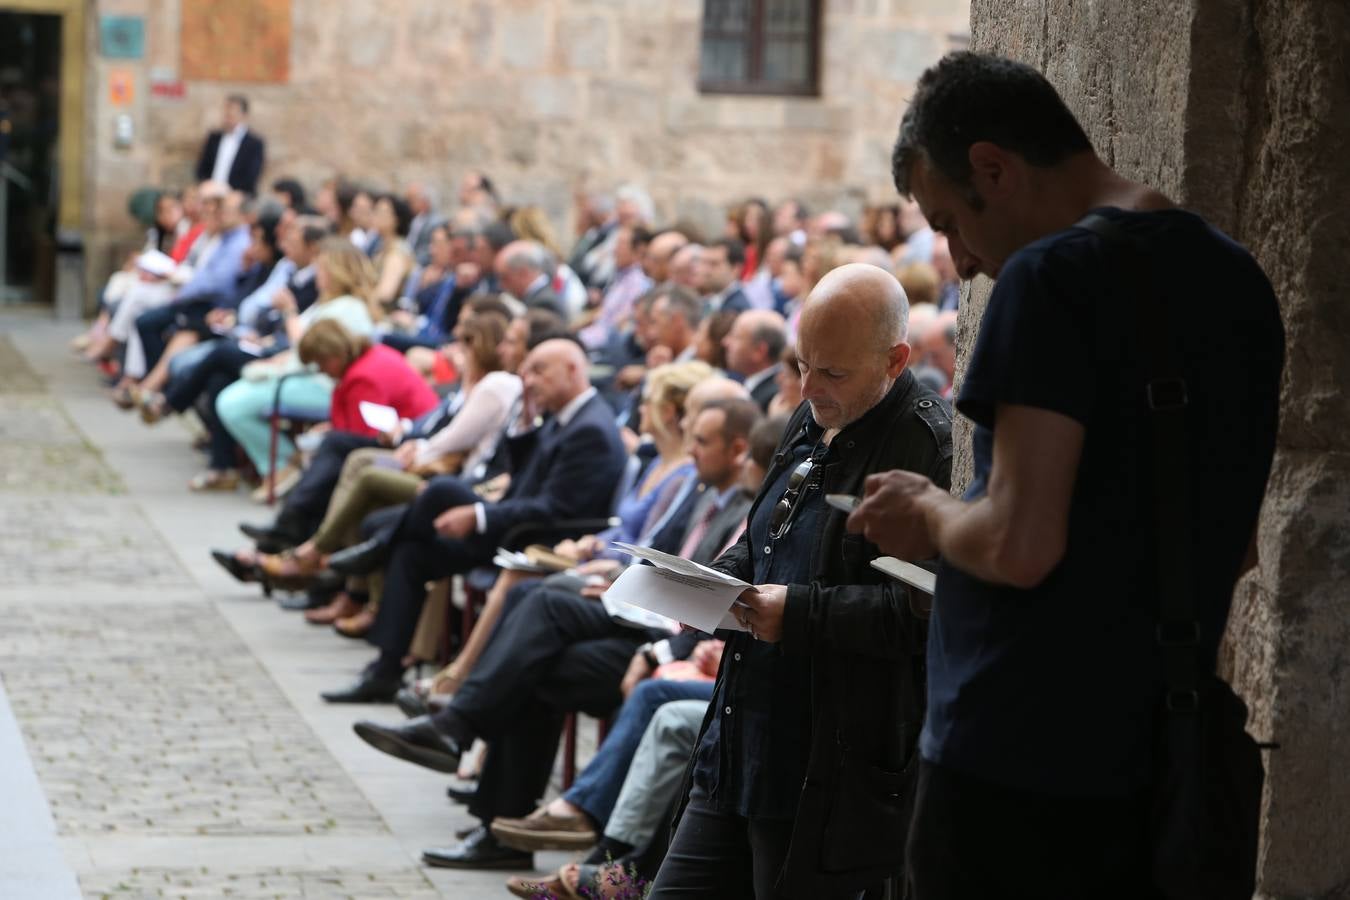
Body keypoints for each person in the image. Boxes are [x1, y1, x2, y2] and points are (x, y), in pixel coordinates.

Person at [847, 51, 1284, 900]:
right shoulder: (1236, 280)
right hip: (1163, 747)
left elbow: (1019, 541)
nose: (960, 259)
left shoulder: (1048, 280)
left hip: (1020, 762)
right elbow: (1228, 548)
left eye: (949, 221)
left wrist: (930, 513)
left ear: (994, 168)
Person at [648, 263, 953, 900]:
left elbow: (925, 612)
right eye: (801, 363)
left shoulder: (926, 446)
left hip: (827, 767)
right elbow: (766, 542)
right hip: (740, 741)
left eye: (833, 371)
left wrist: (801, 614)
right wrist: (710, 585)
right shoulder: (811, 411)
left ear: (895, 360)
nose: (809, 386)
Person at [319, 338, 627, 702]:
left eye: (539, 370)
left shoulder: (588, 427)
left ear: (574, 370)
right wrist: (524, 424)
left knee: (442, 491)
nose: (528, 380)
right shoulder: (561, 417)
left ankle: (373, 550)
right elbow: (521, 477)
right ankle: (385, 670)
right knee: (412, 551)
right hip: (513, 525)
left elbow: (554, 510)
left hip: (538, 540)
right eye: (526, 371)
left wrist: (480, 515)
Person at [194, 95, 265, 194]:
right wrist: (206, 183)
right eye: (227, 111)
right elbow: (202, 167)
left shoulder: (254, 143)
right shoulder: (214, 137)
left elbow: (251, 175)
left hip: (237, 192)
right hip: (210, 189)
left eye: (234, 112)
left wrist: (230, 190)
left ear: (244, 115)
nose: (229, 114)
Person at [722, 309, 787, 411]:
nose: (725, 342)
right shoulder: (758, 389)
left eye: (735, 337)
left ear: (759, 351)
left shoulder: (772, 399)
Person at [698, 238, 750, 314]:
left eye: (714, 264)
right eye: (704, 263)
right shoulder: (708, 301)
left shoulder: (738, 310)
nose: (706, 270)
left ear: (735, 269)